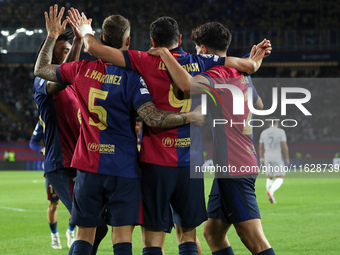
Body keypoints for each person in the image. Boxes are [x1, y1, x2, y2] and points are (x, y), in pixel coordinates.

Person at [79, 12, 266, 255]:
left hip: (155, 162)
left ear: (152, 41)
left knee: (152, 239)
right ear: (179, 38)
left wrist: (85, 31)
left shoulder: (143, 59)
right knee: (188, 234)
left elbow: (95, 50)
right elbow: (241, 65)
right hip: (190, 163)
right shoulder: (201, 61)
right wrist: (253, 62)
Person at [34, 5, 204, 255]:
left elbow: (41, 69)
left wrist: (51, 36)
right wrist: (190, 116)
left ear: (101, 38)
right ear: (128, 41)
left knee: (84, 234)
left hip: (89, 164)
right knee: (122, 236)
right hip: (123, 167)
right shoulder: (134, 77)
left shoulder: (80, 69)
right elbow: (153, 118)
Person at [148, 22, 276, 255]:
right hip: (238, 162)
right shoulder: (242, 74)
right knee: (213, 234)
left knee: (254, 239)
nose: (196, 54)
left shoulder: (216, 74)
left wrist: (166, 54)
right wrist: (248, 64)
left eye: (197, 49)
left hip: (234, 166)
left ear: (204, 50)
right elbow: (259, 105)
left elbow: (186, 85)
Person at [32, 6, 107, 253]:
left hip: (80, 161)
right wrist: (53, 36)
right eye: (60, 52)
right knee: (89, 222)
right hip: (61, 164)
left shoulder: (72, 83)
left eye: (68, 52)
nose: (65, 57)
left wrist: (77, 40)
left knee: (101, 225)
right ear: (49, 52)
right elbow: (58, 79)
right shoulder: (42, 82)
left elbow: (68, 72)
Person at [29, 120, 76, 249]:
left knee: (75, 202)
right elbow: (33, 142)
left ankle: (71, 232)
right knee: (53, 203)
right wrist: (42, 149)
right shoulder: (44, 119)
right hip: (54, 167)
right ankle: (54, 235)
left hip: (72, 165)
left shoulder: (71, 112)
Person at [259, 118, 290, 204]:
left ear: (269, 123)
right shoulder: (281, 132)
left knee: (269, 177)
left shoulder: (264, 132)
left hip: (267, 157)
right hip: (277, 156)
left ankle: (271, 198)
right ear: (277, 122)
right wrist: (287, 157)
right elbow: (284, 147)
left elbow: (261, 147)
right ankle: (271, 191)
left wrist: (261, 158)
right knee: (280, 177)